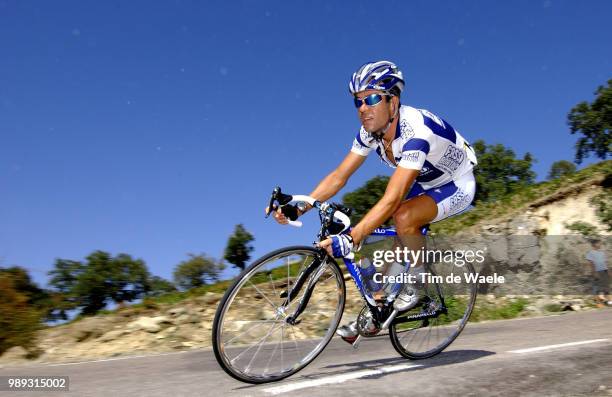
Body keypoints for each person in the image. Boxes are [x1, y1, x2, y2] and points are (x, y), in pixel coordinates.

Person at [270, 60, 478, 343]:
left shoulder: (416, 131)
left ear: (393, 101)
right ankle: (377, 310)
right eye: (358, 102)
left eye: (371, 99)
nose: (363, 108)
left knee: (403, 218)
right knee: (393, 246)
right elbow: (339, 176)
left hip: (457, 183)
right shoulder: (369, 133)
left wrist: (353, 236)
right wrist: (299, 207)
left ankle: (417, 284)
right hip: (426, 181)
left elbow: (392, 199)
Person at [585, 239, 610, 306]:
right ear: (594, 244)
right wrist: (594, 272)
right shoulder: (590, 253)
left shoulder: (602, 253)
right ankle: (598, 303)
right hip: (597, 271)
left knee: (606, 287)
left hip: (604, 271)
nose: (600, 245)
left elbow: (605, 263)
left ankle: (609, 302)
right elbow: (591, 263)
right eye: (599, 243)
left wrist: (608, 271)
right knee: (596, 288)